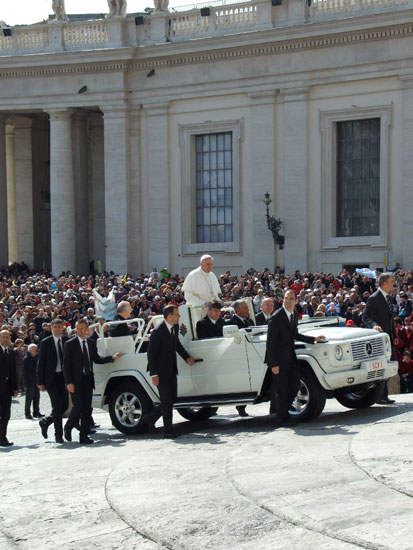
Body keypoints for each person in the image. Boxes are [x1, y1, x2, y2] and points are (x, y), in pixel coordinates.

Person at [265, 289, 326, 426]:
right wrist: (273, 364)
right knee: (282, 390)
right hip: (278, 361)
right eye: (286, 298)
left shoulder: (294, 314)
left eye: (291, 298)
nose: (288, 301)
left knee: (295, 385)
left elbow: (295, 335)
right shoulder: (276, 317)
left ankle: (281, 411)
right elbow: (270, 343)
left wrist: (314, 339)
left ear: (296, 301)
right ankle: (282, 418)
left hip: (290, 358)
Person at [63, 318, 122, 444]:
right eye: (77, 328)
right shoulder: (69, 344)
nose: (79, 331)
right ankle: (68, 427)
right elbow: (66, 365)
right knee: (78, 406)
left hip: (88, 379)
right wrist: (69, 382)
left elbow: (96, 359)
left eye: (82, 328)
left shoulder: (90, 342)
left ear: (87, 329)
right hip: (75, 381)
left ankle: (83, 436)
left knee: (87, 409)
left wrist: (111, 358)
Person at [147, 305, 195, 438]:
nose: (179, 316)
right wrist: (154, 374)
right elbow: (151, 354)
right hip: (160, 372)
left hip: (171, 369)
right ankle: (169, 430)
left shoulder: (174, 327)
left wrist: (186, 357)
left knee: (171, 399)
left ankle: (149, 420)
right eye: (177, 314)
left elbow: (177, 344)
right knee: (167, 400)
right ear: (169, 316)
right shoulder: (158, 331)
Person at [362, 272, 397, 404]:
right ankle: (381, 395)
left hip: (388, 338)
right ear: (385, 283)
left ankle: (383, 394)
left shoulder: (389, 297)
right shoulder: (374, 298)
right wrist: (374, 326)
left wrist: (394, 335)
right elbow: (365, 317)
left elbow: (390, 319)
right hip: (378, 338)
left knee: (390, 365)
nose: (393, 284)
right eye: (391, 281)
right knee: (382, 366)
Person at [37, 319, 69, 443]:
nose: (56, 329)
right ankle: (58, 434)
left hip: (64, 378)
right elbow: (41, 363)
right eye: (54, 326)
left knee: (64, 405)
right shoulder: (46, 342)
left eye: (59, 327)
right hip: (51, 379)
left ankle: (46, 422)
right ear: (51, 328)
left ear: (62, 328)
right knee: (56, 406)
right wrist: (40, 382)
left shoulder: (67, 341)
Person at [227, 300, 254, 416]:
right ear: (237, 310)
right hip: (237, 356)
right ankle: (241, 406)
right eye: (245, 308)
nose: (247, 310)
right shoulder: (230, 323)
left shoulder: (250, 321)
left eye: (247, 307)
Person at [0, 329, 19, 446]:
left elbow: (13, 371)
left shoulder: (11, 352)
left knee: (6, 414)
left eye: (7, 337)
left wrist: (15, 387)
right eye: (3, 337)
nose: (5, 339)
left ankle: (2, 437)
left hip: (7, 389)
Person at [23, 344, 42, 419]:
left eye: (36, 349)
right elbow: (32, 368)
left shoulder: (37, 357)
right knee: (29, 398)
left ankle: (36, 412)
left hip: (37, 381)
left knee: (37, 397)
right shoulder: (27, 358)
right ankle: (27, 413)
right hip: (30, 381)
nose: (36, 350)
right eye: (34, 349)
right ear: (30, 350)